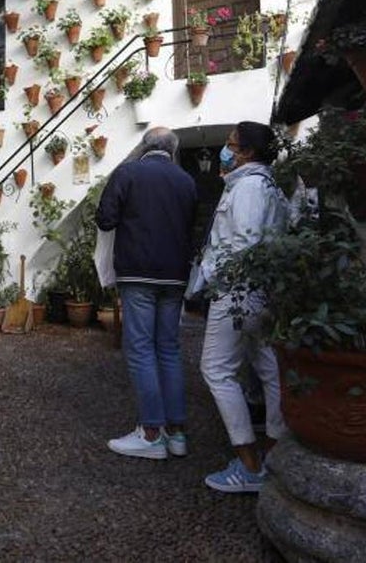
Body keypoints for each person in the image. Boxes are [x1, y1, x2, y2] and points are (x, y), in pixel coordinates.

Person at [96, 127, 197, 460]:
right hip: (175, 275)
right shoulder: (187, 180)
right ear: (172, 150)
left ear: (144, 146)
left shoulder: (128, 171)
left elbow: (106, 219)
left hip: (138, 272)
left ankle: (151, 433)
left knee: (140, 349)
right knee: (168, 349)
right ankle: (177, 433)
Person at [199, 121, 289, 493]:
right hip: (261, 290)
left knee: (217, 369)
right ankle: (275, 452)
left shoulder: (250, 187)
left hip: (239, 291)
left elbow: (245, 243)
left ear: (247, 152)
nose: (225, 148)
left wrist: (218, 278)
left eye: (231, 144)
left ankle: (250, 464)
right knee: (269, 367)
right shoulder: (264, 185)